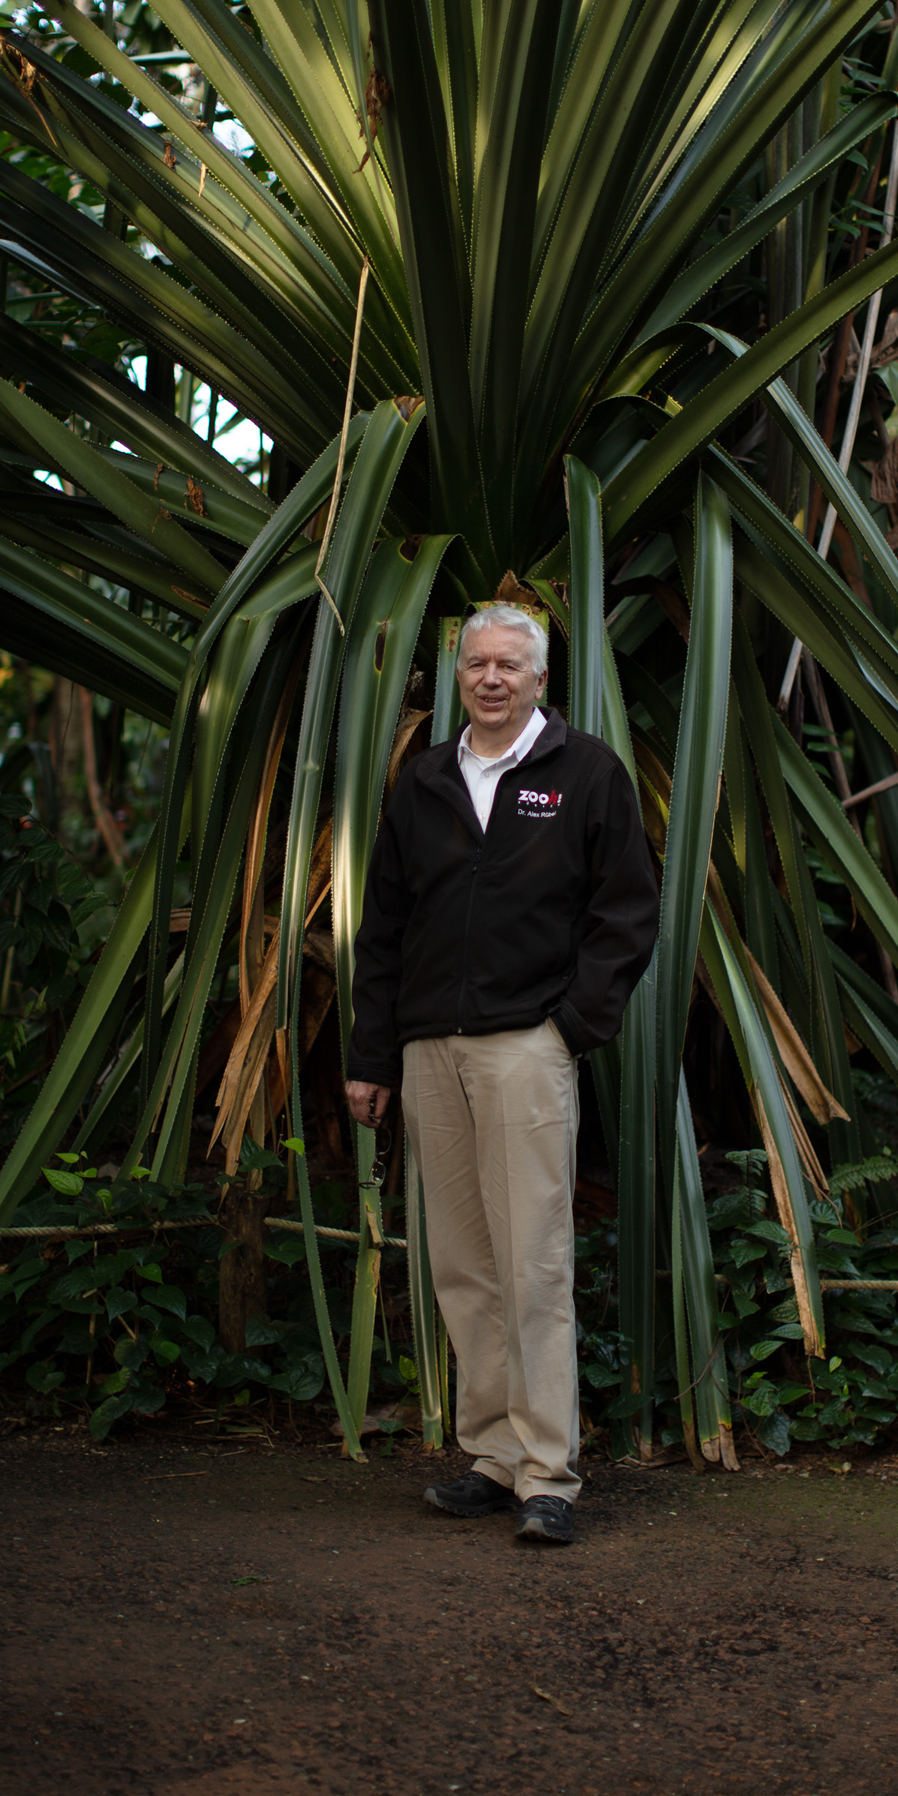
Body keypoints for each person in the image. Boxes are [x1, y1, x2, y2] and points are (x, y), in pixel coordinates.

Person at [344, 603, 659, 1544]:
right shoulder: (426, 781)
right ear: (458, 677)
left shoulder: (586, 775)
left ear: (539, 679)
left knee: (532, 1261)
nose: (490, 678)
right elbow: (385, 927)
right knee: (463, 1264)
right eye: (476, 664)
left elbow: (627, 914)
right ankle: (491, 1453)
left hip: (527, 1045)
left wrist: (569, 1029)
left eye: (508, 667)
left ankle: (549, 1473)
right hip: (429, 1046)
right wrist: (371, 1056)